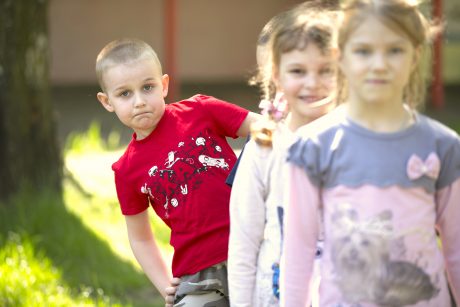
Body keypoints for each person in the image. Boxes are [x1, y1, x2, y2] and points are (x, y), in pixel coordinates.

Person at [281, 0, 460, 306]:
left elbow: (456, 248)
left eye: (395, 50)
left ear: (415, 55)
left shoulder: (443, 145)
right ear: (341, 56)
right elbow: (298, 252)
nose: (379, 64)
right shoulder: (312, 146)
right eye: (364, 51)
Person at [95, 38, 259, 306]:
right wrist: (164, 285)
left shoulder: (200, 110)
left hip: (253, 243)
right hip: (198, 271)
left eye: (148, 87)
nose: (139, 101)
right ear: (107, 101)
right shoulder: (126, 170)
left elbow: (263, 129)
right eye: (125, 93)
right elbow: (140, 237)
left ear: (164, 85)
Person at [227, 2, 338, 306]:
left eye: (325, 70)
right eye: (298, 71)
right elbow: (243, 245)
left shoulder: (354, 144)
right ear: (276, 75)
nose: (312, 83)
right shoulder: (264, 148)